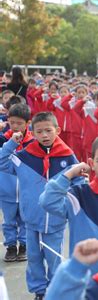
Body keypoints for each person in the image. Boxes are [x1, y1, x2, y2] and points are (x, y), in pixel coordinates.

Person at [0, 112, 81, 300]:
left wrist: (71, 207)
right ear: (33, 133)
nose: (44, 135)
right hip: (31, 220)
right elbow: (2, 162)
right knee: (34, 259)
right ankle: (39, 291)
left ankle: (54, 290)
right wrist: (12, 143)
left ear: (57, 131)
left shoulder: (68, 157)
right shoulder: (25, 156)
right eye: (39, 131)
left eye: (48, 130)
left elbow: (79, 183)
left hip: (56, 221)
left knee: (54, 259)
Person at [40, 132, 98, 274]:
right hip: (84, 280)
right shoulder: (79, 196)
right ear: (91, 164)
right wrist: (68, 175)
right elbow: (48, 202)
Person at [0, 104, 34, 262]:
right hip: (6, 190)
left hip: (27, 192)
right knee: (9, 221)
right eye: (12, 122)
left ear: (28, 123)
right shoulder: (3, 139)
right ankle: (11, 246)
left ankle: (24, 245)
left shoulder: (33, 142)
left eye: (19, 123)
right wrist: (11, 143)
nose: (15, 126)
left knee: (25, 219)